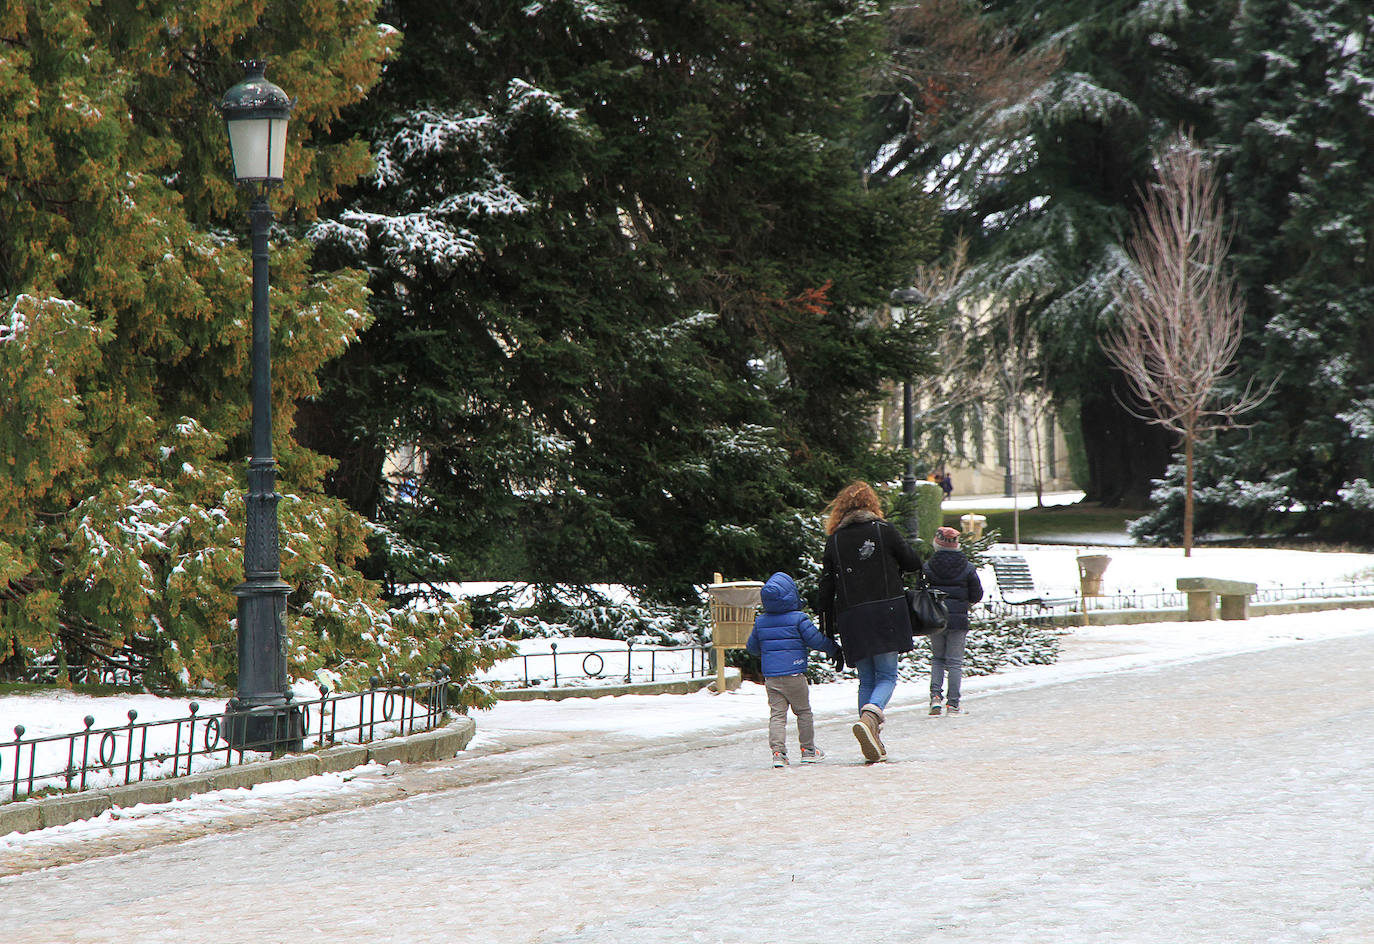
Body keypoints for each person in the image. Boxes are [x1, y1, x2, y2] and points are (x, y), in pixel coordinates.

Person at [818, 481, 922, 763]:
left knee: (866, 678)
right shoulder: (883, 531)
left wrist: (827, 627)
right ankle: (871, 716)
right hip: (886, 611)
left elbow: (826, 587)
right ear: (871, 504)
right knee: (887, 676)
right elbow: (913, 562)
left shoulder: (835, 540)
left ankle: (872, 736)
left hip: (852, 616)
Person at [745, 572, 841, 768]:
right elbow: (815, 640)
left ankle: (778, 754)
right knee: (803, 712)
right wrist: (833, 648)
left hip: (772, 678)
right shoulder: (798, 618)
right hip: (795, 674)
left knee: (777, 715)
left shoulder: (761, 621)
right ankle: (808, 750)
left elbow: (752, 648)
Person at [924, 526, 984, 716]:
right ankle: (953, 704)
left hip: (936, 619)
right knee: (955, 662)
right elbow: (977, 594)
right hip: (958, 620)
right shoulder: (967, 566)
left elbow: (920, 590)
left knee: (937, 659)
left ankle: (935, 698)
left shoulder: (928, 566)